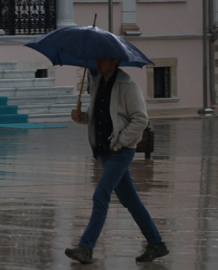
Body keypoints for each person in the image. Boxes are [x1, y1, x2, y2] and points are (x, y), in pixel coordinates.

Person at [65, 59, 169, 264]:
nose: (98, 63)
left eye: (102, 59)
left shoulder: (129, 88)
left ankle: (86, 247)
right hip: (104, 150)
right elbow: (99, 116)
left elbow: (140, 119)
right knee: (130, 200)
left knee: (101, 195)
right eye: (97, 59)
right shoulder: (97, 85)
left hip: (120, 151)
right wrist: (82, 117)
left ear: (115, 61)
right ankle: (156, 243)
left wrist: (120, 143)